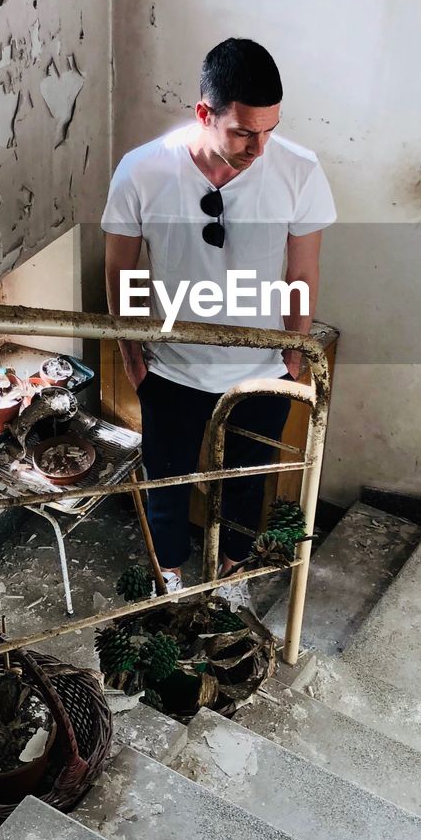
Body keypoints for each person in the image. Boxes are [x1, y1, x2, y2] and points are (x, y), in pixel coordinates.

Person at [101, 38, 336, 599]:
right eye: (244, 132)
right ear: (204, 114)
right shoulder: (143, 171)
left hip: (261, 370)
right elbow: (120, 271)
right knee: (168, 483)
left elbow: (303, 274)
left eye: (270, 130)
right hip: (172, 367)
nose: (259, 147)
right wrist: (135, 360)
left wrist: (294, 357)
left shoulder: (298, 171)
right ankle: (171, 580)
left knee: (247, 484)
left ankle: (231, 576)